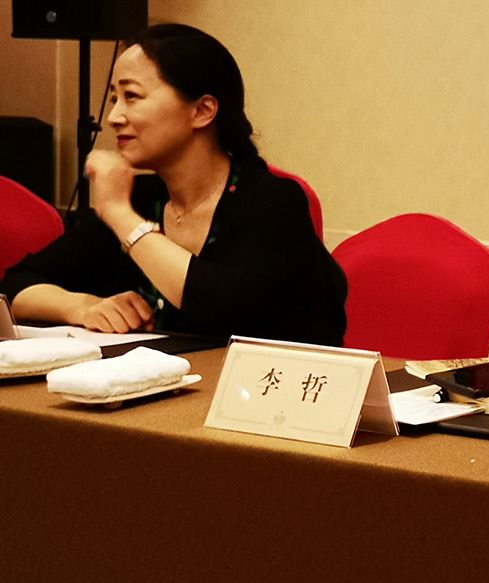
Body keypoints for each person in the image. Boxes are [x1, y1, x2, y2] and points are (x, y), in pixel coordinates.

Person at [0, 24, 347, 346]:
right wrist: (82, 306)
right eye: (114, 99)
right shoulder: (142, 197)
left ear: (203, 111)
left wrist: (120, 214)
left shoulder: (273, 202)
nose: (114, 117)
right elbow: (16, 286)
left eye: (132, 96)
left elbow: (222, 306)